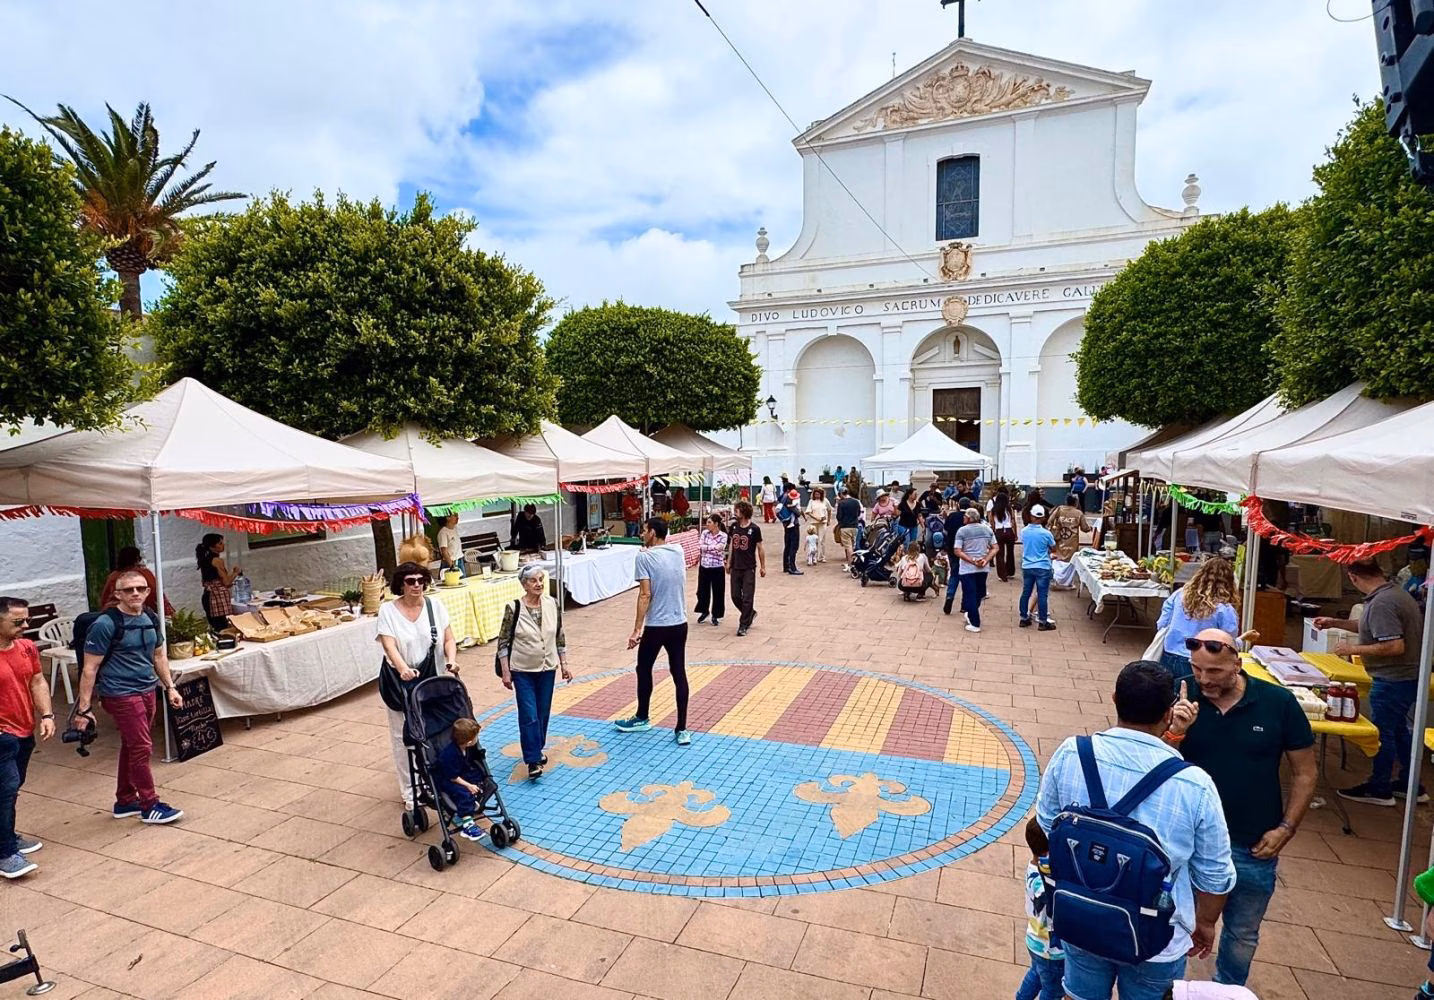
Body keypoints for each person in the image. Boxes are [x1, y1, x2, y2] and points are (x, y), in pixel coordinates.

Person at [1037, 660, 1236, 1000]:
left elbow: (1045, 825)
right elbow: (1214, 875)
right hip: (1158, 933)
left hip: (1081, 914)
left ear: (1114, 699)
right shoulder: (1194, 784)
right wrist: (1204, 924)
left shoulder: (1073, 752)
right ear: (1169, 711)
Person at [1164, 628, 1316, 987]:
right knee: (1175, 922)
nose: (1203, 679)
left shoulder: (1277, 703)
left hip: (1252, 843)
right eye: (1197, 669)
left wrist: (1286, 828)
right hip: (1187, 841)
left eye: (1214, 672)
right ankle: (1170, 989)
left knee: (1243, 933)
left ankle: (1227, 990)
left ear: (1237, 662)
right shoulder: (1179, 694)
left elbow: (1306, 772)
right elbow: (1153, 764)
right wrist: (1175, 732)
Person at [75, 569, 185, 824]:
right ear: (117, 594)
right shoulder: (105, 624)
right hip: (120, 693)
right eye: (128, 590)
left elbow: (159, 655)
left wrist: (170, 687)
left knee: (132, 744)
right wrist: (84, 709)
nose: (135, 593)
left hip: (147, 689)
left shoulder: (150, 616)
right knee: (142, 748)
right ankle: (150, 804)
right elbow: (89, 668)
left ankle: (125, 800)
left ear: (148, 592)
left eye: (140, 589)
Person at [1315, 560, 1428, 806]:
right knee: (1398, 729)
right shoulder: (1391, 594)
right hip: (1403, 676)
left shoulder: (1382, 602)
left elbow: (1394, 645)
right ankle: (1411, 784)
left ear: (1353, 577)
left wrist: (1352, 648)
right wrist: (1335, 623)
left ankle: (1380, 787)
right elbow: (1370, 627)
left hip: (1393, 678)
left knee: (1382, 733)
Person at [378, 562, 459, 807]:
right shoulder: (388, 611)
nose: (417, 585)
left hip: (432, 679)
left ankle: (437, 780)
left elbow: (449, 638)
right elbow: (388, 644)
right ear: (400, 584)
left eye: (421, 580)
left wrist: (452, 661)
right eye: (410, 581)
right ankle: (410, 792)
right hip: (400, 682)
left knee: (435, 730)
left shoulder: (435, 606)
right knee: (403, 736)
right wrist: (402, 668)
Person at [619, 518, 691, 745]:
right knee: (678, 672)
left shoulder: (643, 557)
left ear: (652, 532)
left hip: (657, 625)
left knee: (644, 667)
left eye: (644, 530)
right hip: (679, 623)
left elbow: (645, 594)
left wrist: (636, 629)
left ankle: (642, 716)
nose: (641, 534)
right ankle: (681, 729)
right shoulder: (677, 551)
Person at [497, 564, 570, 779]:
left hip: (547, 667)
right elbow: (503, 641)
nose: (538, 584)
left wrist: (564, 663)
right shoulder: (514, 607)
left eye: (541, 579)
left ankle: (536, 748)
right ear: (524, 584)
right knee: (529, 714)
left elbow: (559, 635)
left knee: (543, 712)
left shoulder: (552, 604)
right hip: (522, 669)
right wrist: (505, 671)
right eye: (533, 580)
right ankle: (532, 760)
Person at [0, 597, 53, 878]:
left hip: (24, 729)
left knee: (13, 785)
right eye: (18, 622)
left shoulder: (26, 648)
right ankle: (5, 852)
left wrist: (46, 715)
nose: (25, 626)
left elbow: (37, 680)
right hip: (2, 735)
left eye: (27, 621)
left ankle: (6, 834)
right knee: (6, 788)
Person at [1155, 559, 1239, 686]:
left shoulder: (1180, 594)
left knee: (1166, 694)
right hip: (1198, 662)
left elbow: (1163, 621)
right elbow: (1228, 641)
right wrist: (1243, 640)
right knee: (1190, 698)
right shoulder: (1224, 609)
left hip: (1169, 654)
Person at [1017, 817, 1063, 1000]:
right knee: (1052, 990)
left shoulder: (1033, 868)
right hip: (1051, 950)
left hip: (1035, 941)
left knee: (1036, 973)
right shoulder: (1043, 883)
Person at [432, 718, 490, 839]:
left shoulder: (467, 748)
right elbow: (452, 777)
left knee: (479, 776)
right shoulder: (449, 755)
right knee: (463, 793)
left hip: (462, 772)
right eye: (476, 737)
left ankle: (474, 797)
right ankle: (468, 824)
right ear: (469, 742)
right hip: (448, 779)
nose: (477, 739)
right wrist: (468, 785)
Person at [949, 508, 995, 632]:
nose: (963, 518)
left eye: (965, 517)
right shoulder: (987, 529)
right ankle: (972, 613)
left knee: (970, 593)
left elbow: (957, 550)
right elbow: (995, 547)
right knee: (979, 593)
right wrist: (986, 559)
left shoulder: (962, 531)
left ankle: (974, 621)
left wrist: (972, 560)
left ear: (969, 518)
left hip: (967, 568)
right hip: (983, 568)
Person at [726, 501, 766, 637]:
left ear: (744, 512)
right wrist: (729, 561)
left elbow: (760, 548)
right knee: (735, 595)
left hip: (749, 567)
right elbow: (731, 544)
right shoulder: (734, 526)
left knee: (748, 596)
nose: (735, 512)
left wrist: (763, 567)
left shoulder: (755, 529)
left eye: (737, 510)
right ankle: (750, 613)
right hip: (736, 567)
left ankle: (743, 624)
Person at [99, 547, 175, 617]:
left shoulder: (113, 576)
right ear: (136, 559)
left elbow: (105, 598)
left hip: (116, 614)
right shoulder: (145, 574)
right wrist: (170, 614)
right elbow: (158, 595)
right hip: (139, 613)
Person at [1019, 505, 1057, 630]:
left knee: (1026, 593)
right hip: (1042, 566)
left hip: (1028, 565)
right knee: (1042, 595)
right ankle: (1042, 621)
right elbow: (1053, 548)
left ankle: (1024, 618)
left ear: (1031, 516)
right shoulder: (1046, 534)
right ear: (1043, 518)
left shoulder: (1024, 531)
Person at [195, 533, 241, 631]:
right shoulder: (217, 561)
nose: (223, 545)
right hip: (215, 598)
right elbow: (226, 582)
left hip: (208, 595)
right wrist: (235, 573)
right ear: (212, 546)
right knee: (222, 627)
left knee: (216, 626)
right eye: (220, 543)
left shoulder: (206, 560)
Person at [694, 514, 727, 627]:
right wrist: (712, 548)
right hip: (704, 566)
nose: (707, 525)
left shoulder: (723, 535)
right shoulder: (704, 533)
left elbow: (720, 548)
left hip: (717, 567)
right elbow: (700, 546)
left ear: (716, 524)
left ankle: (716, 614)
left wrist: (707, 548)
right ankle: (704, 610)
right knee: (702, 591)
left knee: (718, 592)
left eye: (709, 522)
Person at [988, 487, 1017, 582]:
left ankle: (1002, 574)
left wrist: (992, 533)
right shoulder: (1009, 509)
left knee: (999, 554)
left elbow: (992, 523)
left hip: (999, 532)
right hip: (1009, 531)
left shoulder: (994, 510)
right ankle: (1010, 571)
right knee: (1010, 553)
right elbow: (1013, 522)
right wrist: (1015, 533)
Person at [834, 487, 862, 566]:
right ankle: (855, 563)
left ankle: (851, 564)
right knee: (853, 545)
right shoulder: (856, 502)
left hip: (845, 526)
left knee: (848, 546)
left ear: (841, 494)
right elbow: (859, 513)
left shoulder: (841, 503)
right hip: (855, 526)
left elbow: (839, 516)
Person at [780, 488, 805, 576]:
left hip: (786, 525)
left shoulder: (783, 501)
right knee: (793, 546)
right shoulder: (791, 504)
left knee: (787, 545)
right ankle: (792, 567)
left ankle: (786, 566)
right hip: (793, 526)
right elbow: (798, 514)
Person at [804, 486, 832, 563]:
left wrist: (828, 520)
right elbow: (808, 512)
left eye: (818, 494)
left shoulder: (825, 501)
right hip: (814, 522)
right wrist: (816, 518)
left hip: (823, 522)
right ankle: (813, 556)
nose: (817, 496)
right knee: (814, 540)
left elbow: (829, 510)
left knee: (822, 540)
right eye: (815, 494)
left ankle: (822, 556)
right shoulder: (811, 501)